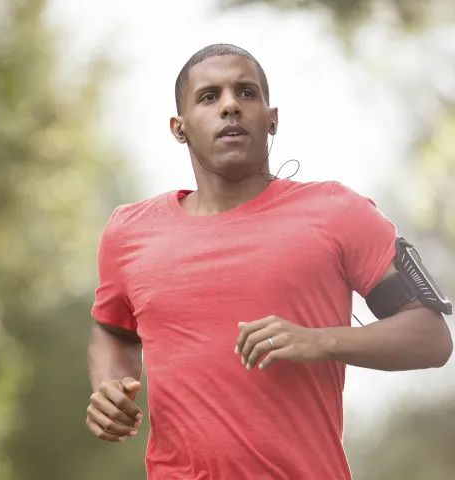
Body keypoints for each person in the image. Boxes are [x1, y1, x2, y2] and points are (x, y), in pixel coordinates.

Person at [86, 44, 453, 480]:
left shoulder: (338, 212)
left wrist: (320, 341)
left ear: (272, 118)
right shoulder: (129, 232)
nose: (229, 106)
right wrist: (110, 389)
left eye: (246, 93)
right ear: (179, 128)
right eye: (209, 96)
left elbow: (432, 338)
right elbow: (114, 332)